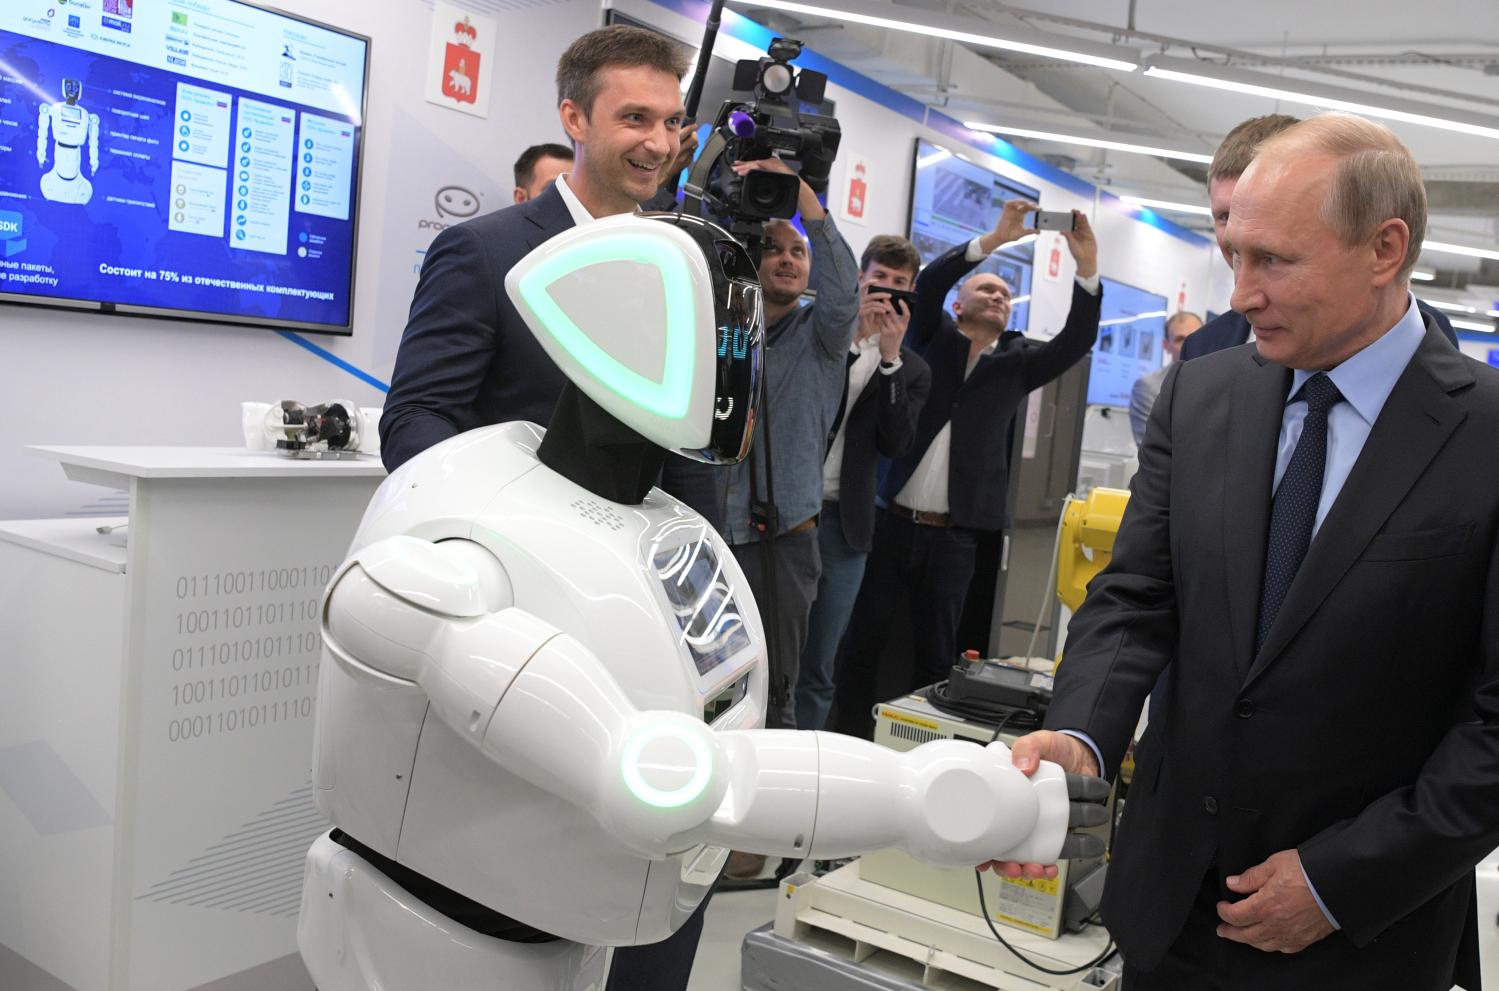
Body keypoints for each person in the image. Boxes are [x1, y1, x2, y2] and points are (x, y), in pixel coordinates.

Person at [1002, 114, 1499, 991]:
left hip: (1358, 937)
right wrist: (1083, 730)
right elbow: (1135, 594)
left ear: (1384, 250)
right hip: (1170, 907)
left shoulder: (1483, 435)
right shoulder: (1205, 392)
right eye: (1231, 254)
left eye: (1272, 260)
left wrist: (1339, 879)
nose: (1239, 294)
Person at [377, 25, 715, 990]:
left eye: (671, 121)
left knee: (649, 865)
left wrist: (701, 583)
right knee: (513, 888)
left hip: (648, 621)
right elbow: (417, 421)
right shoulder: (483, 252)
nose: (657, 141)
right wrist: (523, 538)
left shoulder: (683, 263)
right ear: (573, 119)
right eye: (634, 118)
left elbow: (690, 448)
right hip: (522, 627)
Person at [833, 199, 1101, 738]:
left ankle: (927, 750)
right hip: (890, 522)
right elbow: (929, 282)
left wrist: (1087, 267)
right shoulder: (931, 337)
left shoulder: (1018, 364)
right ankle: (846, 737)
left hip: (954, 540)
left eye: (1005, 294)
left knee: (939, 655)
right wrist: (994, 240)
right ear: (960, 304)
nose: (998, 296)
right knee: (862, 643)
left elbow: (1078, 339)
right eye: (987, 289)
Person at [717, 160, 862, 734]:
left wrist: (803, 196)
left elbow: (844, 286)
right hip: (708, 532)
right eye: (773, 249)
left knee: (775, 688)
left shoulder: (823, 335)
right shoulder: (723, 325)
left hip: (782, 540)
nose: (786, 259)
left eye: (797, 252)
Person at [794, 235, 932, 732]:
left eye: (900, 284)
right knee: (776, 640)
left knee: (822, 655)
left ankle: (805, 749)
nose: (888, 291)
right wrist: (856, 345)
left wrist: (889, 358)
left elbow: (896, 442)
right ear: (860, 279)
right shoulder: (822, 336)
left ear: (912, 291)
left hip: (846, 523)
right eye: (880, 279)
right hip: (791, 507)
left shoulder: (912, 369)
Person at [1182, 114, 1458, 360]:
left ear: (1384, 249)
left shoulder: (1433, 346)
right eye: (1224, 216)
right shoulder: (1201, 357)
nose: (1239, 300)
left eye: (1271, 257)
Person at [1129, 311, 1203, 445]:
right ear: (1166, 345)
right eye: (1180, 339)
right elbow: (1152, 449)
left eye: (1196, 337)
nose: (1189, 344)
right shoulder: (1148, 387)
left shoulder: (1220, 381)